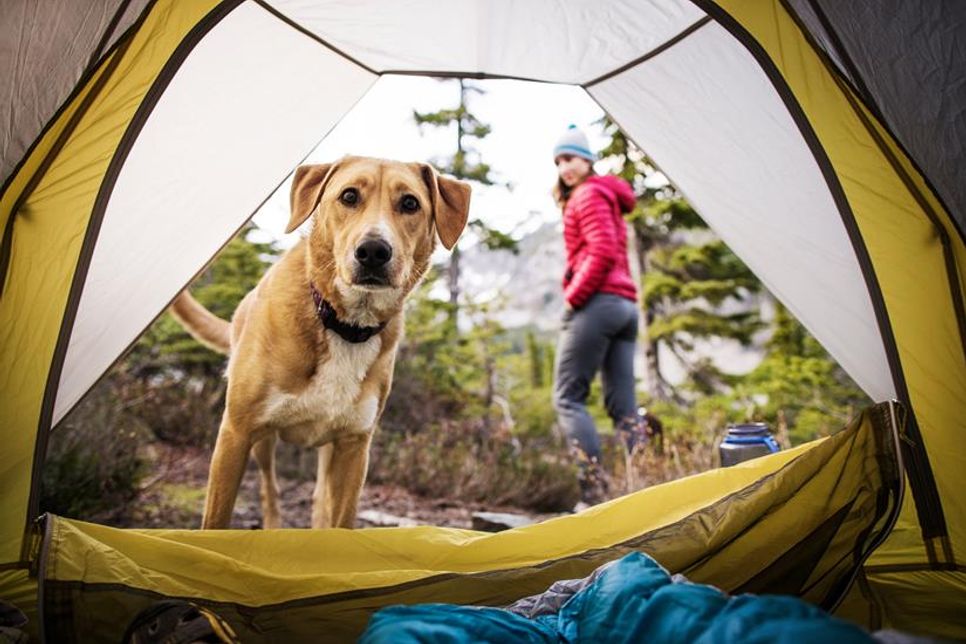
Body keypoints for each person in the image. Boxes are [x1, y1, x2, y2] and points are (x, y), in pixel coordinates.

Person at [550, 124, 640, 506]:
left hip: (599, 303)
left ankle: (594, 494)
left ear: (587, 160)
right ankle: (644, 484)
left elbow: (601, 251)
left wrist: (573, 297)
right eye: (558, 161)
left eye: (570, 157)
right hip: (625, 307)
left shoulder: (587, 195)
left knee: (568, 398)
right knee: (623, 407)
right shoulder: (607, 195)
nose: (563, 167)